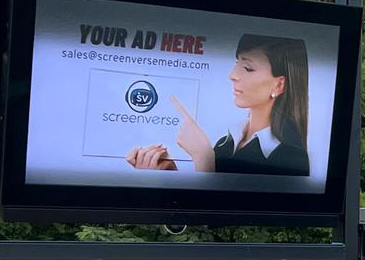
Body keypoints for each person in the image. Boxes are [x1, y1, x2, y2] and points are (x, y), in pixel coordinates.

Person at [126, 33, 310, 177]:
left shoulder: (291, 158)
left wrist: (203, 157)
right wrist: (169, 175)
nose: (232, 75)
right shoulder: (226, 143)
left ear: (279, 84)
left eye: (247, 68)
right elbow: (205, 211)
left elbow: (245, 216)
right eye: (237, 63)